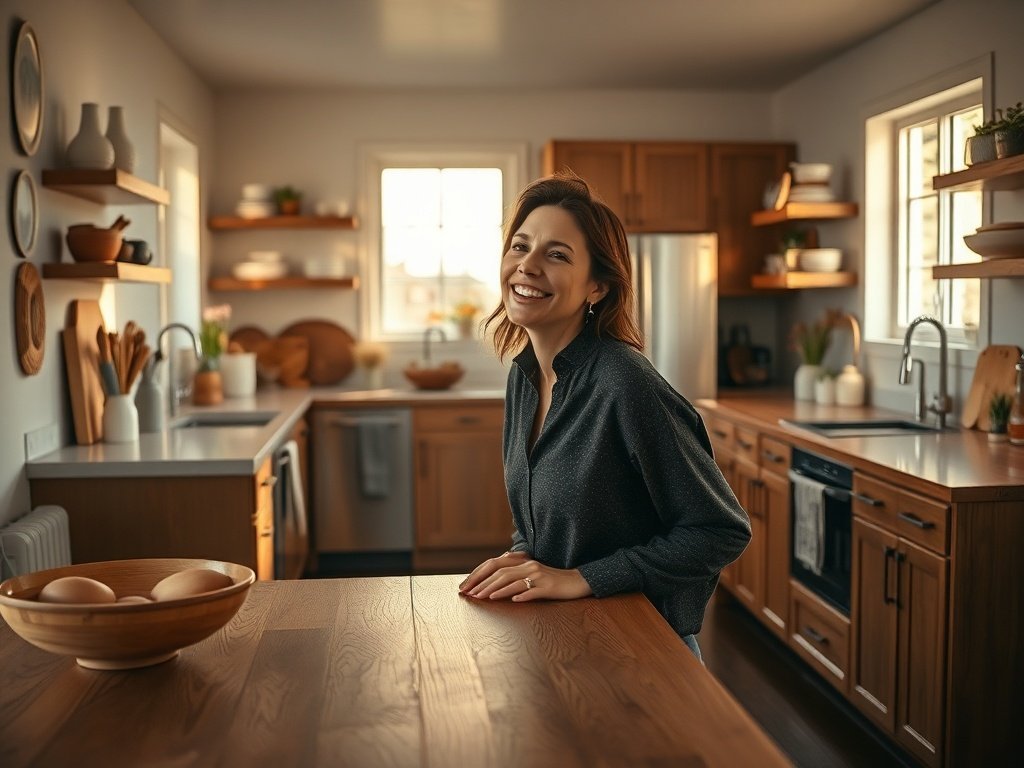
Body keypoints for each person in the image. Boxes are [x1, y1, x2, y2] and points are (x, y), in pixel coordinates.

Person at [457, 171, 751, 660]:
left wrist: (581, 578)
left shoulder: (624, 382)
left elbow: (718, 531)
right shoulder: (525, 377)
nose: (526, 266)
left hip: (644, 650)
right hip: (569, 637)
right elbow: (542, 520)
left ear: (596, 287)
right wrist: (524, 555)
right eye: (520, 246)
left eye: (556, 255)